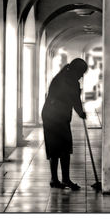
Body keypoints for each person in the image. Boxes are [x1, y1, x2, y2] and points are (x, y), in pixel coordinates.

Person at [41, 58, 88, 190]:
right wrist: (81, 113)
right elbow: (75, 99)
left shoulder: (63, 75)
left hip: (50, 114)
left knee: (55, 147)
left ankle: (55, 179)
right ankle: (65, 179)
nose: (82, 75)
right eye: (82, 72)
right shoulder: (70, 80)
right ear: (76, 70)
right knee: (64, 148)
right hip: (56, 116)